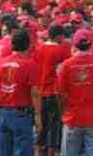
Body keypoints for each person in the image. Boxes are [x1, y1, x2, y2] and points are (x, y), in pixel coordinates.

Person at [56, 28, 93, 156]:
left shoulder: (66, 65)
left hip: (73, 118)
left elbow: (60, 94)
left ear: (74, 44)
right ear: (91, 44)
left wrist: (63, 112)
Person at [0, 29, 42, 156]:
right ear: (28, 45)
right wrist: (38, 116)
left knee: (4, 151)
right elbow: (35, 92)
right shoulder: (30, 65)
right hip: (21, 113)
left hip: (3, 112)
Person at [34, 24, 71, 156]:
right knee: (55, 125)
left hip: (39, 91)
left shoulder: (39, 49)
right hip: (54, 92)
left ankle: (38, 150)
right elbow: (63, 73)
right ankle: (51, 152)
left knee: (42, 125)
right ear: (59, 36)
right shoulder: (61, 51)